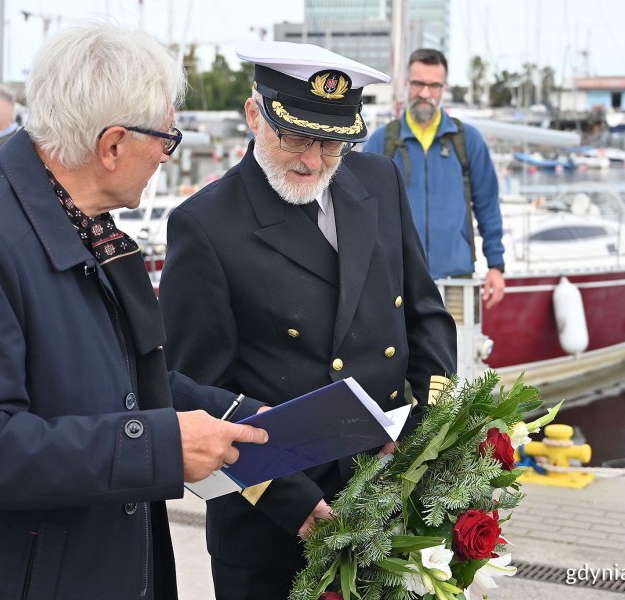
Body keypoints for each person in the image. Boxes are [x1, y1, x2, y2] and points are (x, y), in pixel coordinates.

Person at [0, 23, 268, 600]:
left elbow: (125, 381)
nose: (168, 158)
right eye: (166, 140)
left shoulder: (83, 223)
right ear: (113, 144)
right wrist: (160, 447)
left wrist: (258, 416)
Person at [158, 41, 458, 599]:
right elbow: (197, 393)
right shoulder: (205, 226)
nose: (314, 160)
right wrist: (296, 505)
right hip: (277, 523)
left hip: (390, 496)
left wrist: (423, 442)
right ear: (254, 115)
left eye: (333, 142)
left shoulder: (379, 182)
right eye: (297, 135)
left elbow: (427, 318)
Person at [365, 48, 506, 309]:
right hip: (398, 282)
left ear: (444, 88)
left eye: (434, 85)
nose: (425, 93)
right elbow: (361, 214)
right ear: (407, 84)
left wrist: (496, 266)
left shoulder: (468, 141)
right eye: (418, 83)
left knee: (456, 351)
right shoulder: (381, 142)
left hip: (457, 279)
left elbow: (487, 205)